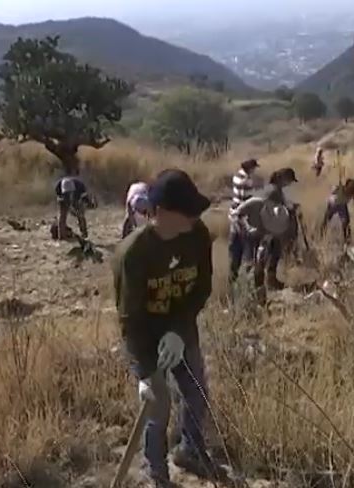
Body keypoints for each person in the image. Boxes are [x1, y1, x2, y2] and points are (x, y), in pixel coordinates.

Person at [112, 168, 227, 488]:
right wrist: (146, 372)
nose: (194, 218)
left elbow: (201, 287)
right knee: (158, 406)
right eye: (186, 213)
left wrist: (179, 328)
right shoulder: (132, 254)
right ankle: (157, 473)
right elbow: (129, 319)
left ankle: (190, 450)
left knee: (195, 392)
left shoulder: (197, 235)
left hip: (181, 330)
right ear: (160, 213)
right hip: (146, 337)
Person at [231, 168, 298, 299]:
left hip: (259, 229)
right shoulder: (268, 195)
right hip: (246, 230)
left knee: (262, 259)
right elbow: (238, 213)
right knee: (249, 263)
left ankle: (261, 290)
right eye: (288, 181)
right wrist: (248, 228)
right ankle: (242, 294)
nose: (289, 184)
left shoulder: (274, 193)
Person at [228, 159, 263, 282]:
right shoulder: (247, 181)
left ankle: (232, 280)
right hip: (243, 220)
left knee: (234, 252)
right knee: (249, 251)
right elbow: (246, 202)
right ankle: (250, 283)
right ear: (250, 168)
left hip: (233, 217)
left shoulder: (236, 176)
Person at [320, 179, 354, 244]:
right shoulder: (340, 189)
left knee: (345, 223)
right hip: (334, 204)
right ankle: (321, 236)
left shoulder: (350, 190)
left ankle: (346, 241)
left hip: (340, 204)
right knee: (327, 221)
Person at [55, 174, 93, 240]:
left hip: (77, 199)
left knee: (80, 214)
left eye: (69, 194)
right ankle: (61, 236)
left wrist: (88, 204)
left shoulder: (80, 187)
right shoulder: (58, 187)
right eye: (66, 194)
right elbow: (60, 198)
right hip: (63, 199)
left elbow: (85, 199)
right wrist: (68, 207)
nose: (68, 196)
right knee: (62, 215)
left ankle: (84, 233)